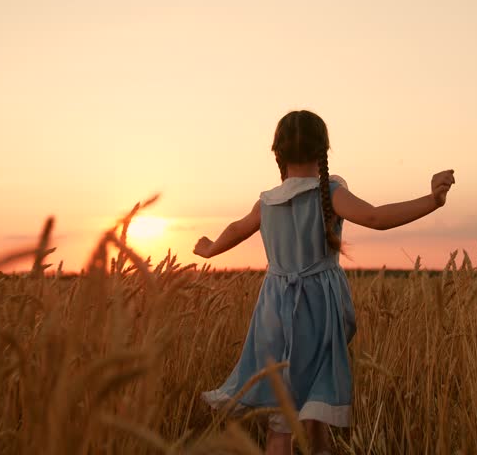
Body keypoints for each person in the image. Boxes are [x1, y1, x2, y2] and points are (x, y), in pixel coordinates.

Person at [194, 110, 455, 455]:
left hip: (273, 312)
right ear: (324, 151)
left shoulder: (267, 202)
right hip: (317, 310)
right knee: (313, 411)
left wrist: (210, 249)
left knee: (280, 414)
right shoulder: (329, 192)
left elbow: (235, 229)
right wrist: (433, 201)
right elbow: (376, 218)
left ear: (277, 153)